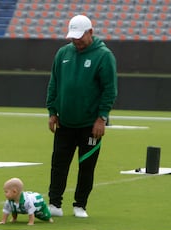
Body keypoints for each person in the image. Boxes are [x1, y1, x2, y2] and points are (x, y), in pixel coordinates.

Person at [46, 15, 117, 218]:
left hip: (90, 124)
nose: (76, 41)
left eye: (80, 37)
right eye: (73, 37)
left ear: (90, 33)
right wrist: (52, 111)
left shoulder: (104, 56)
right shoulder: (63, 53)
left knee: (86, 166)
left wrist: (101, 118)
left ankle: (80, 204)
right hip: (65, 121)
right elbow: (54, 83)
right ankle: (54, 203)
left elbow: (109, 90)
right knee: (58, 163)